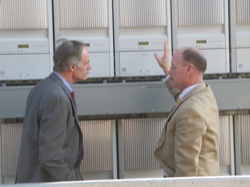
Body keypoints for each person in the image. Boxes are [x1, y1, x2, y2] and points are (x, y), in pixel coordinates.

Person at [15, 39, 92, 182]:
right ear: (72, 67)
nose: (90, 67)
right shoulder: (57, 98)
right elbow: (51, 156)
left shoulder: (41, 87)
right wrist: (69, 182)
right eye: (86, 63)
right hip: (48, 182)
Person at [154, 42, 220, 177]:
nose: (171, 71)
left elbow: (186, 172)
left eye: (173, 68)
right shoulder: (203, 93)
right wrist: (168, 71)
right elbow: (183, 98)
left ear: (189, 69)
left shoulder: (191, 111)